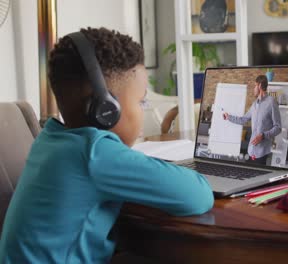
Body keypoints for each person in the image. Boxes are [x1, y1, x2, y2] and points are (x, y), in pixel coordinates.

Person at [0, 27, 213, 264]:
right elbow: (198, 196)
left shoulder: (50, 138)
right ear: (106, 110)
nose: (142, 109)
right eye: (141, 101)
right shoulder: (94, 154)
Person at [223, 75, 281, 165]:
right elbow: (243, 120)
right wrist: (228, 117)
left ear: (260, 85)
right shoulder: (254, 105)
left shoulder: (272, 102)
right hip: (251, 151)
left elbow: (278, 127)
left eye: (255, 86)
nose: (253, 89)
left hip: (262, 153)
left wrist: (263, 135)